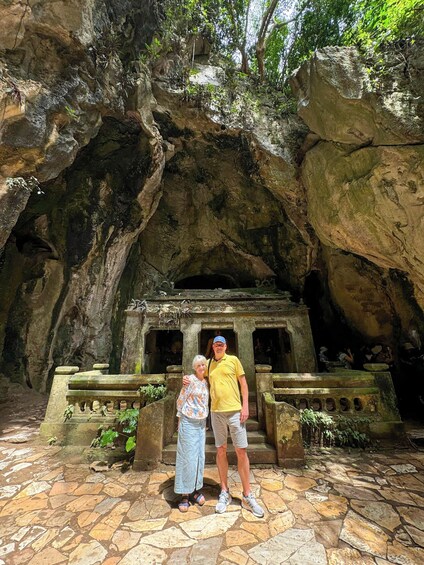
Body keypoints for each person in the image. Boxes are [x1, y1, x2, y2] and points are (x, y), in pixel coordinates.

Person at [201, 335, 264, 517]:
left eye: (221, 344)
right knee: (221, 450)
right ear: (212, 347)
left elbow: (244, 384)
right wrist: (188, 381)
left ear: (226, 346)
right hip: (216, 412)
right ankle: (224, 492)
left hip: (235, 411)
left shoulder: (234, 360)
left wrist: (245, 406)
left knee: (241, 450)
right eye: (216, 345)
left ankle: (247, 494)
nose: (219, 347)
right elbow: (200, 377)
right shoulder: (208, 364)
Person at [174, 355, 209, 512]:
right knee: (187, 457)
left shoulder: (206, 382)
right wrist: (179, 420)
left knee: (199, 456)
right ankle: (184, 494)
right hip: (188, 421)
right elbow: (180, 400)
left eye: (203, 364)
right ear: (195, 367)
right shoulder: (190, 380)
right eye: (199, 365)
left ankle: (195, 490)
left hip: (201, 423)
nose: (201, 367)